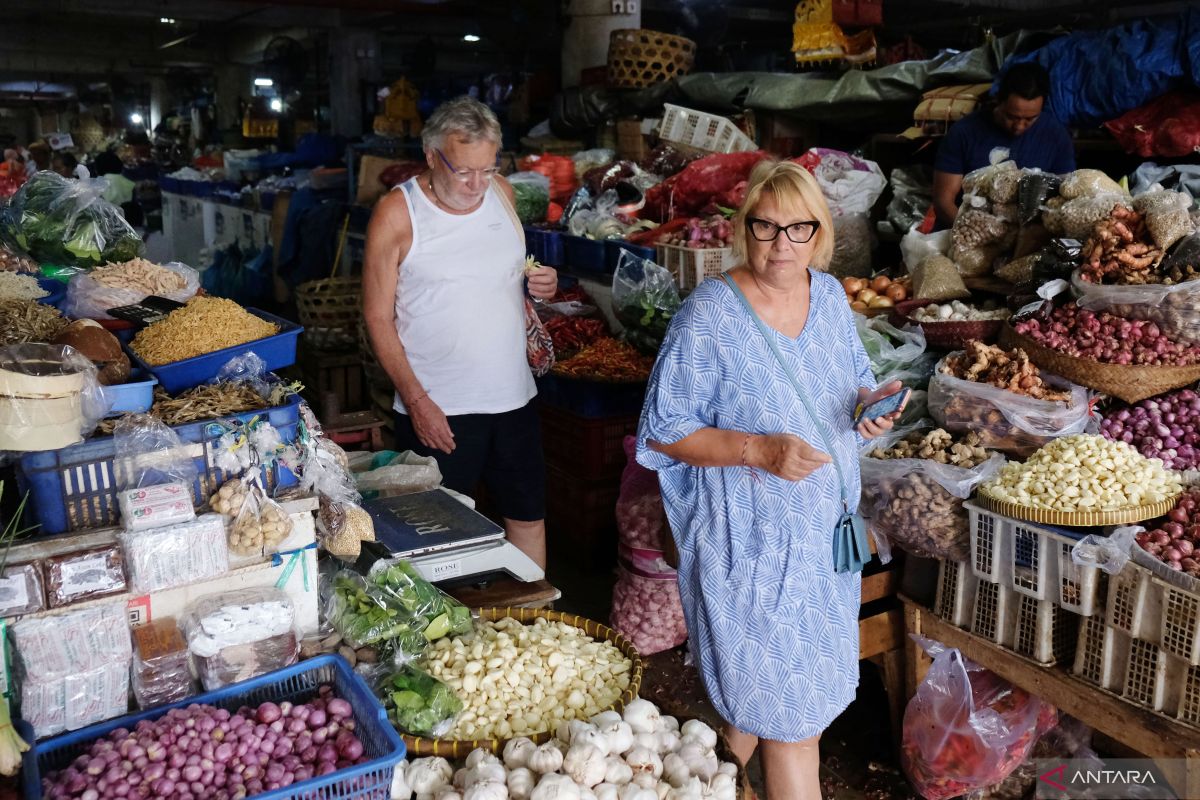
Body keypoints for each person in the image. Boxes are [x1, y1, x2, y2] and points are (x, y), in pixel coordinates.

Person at [636, 159, 905, 799]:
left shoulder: (831, 297)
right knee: (792, 726)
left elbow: (850, 385)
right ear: (743, 229)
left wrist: (868, 412)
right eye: (765, 228)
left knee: (774, 701)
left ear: (820, 233)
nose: (781, 245)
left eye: (798, 229)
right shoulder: (710, 316)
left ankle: (707, 778)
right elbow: (663, 430)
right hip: (749, 548)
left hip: (823, 543)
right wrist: (757, 450)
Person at [362, 96, 558, 569]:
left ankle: (532, 628)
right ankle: (445, 641)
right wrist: (418, 401)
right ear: (431, 156)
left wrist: (542, 286)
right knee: (438, 536)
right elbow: (376, 318)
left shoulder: (503, 195)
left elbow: (505, 283)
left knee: (527, 517)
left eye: (487, 170)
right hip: (439, 407)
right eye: (464, 171)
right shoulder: (397, 214)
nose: (477, 185)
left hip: (513, 399)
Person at [933, 62, 1075, 226]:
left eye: (1030, 119)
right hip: (967, 228)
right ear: (998, 100)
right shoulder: (964, 133)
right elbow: (943, 202)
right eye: (1012, 116)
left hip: (1029, 234)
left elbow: (1065, 195)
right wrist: (971, 233)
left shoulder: (1055, 136)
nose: (1019, 126)